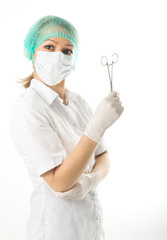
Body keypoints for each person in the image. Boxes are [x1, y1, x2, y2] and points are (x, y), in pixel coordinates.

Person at [9, 15, 124, 240]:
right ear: (33, 52)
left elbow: (104, 155)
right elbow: (60, 182)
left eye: (67, 51)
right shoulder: (28, 109)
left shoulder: (78, 103)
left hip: (90, 229)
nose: (58, 56)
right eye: (49, 47)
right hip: (56, 231)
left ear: (75, 59)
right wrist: (98, 125)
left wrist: (91, 180)